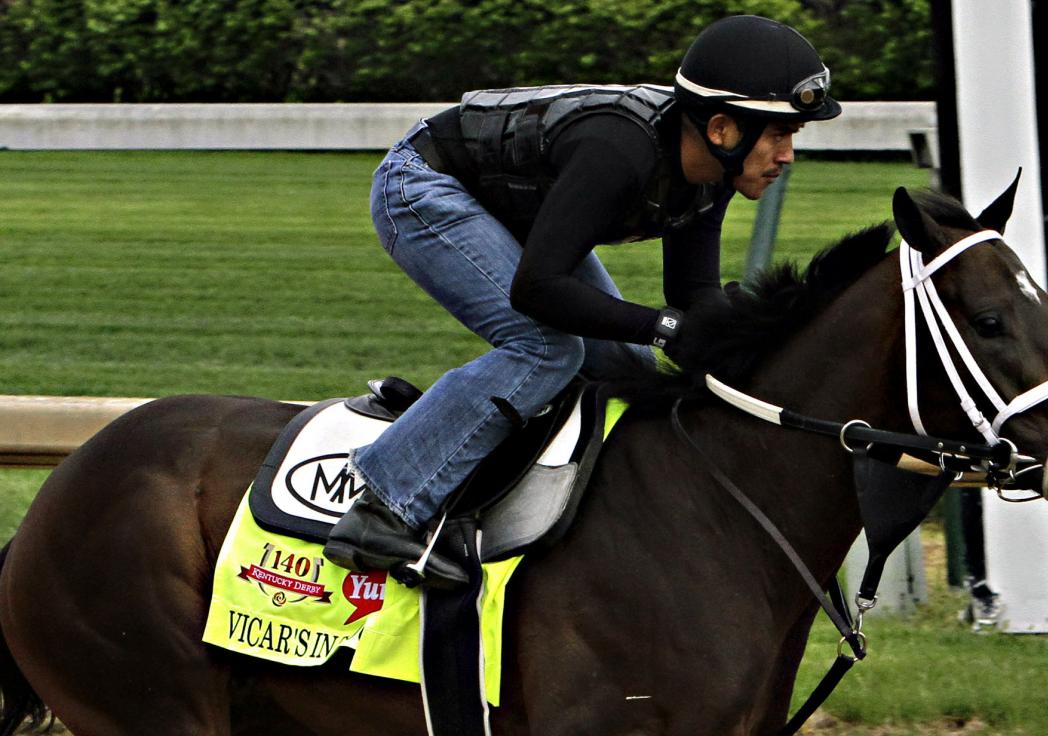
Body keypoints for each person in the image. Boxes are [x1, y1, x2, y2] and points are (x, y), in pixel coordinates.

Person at [325, 13, 842, 588]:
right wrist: (667, 327)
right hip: (423, 187)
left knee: (625, 368)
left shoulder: (708, 172)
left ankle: (564, 509)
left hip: (511, 209)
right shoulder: (618, 152)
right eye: (780, 133)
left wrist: (759, 342)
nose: (789, 154)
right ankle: (385, 508)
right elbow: (540, 290)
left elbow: (691, 294)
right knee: (544, 349)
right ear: (722, 129)